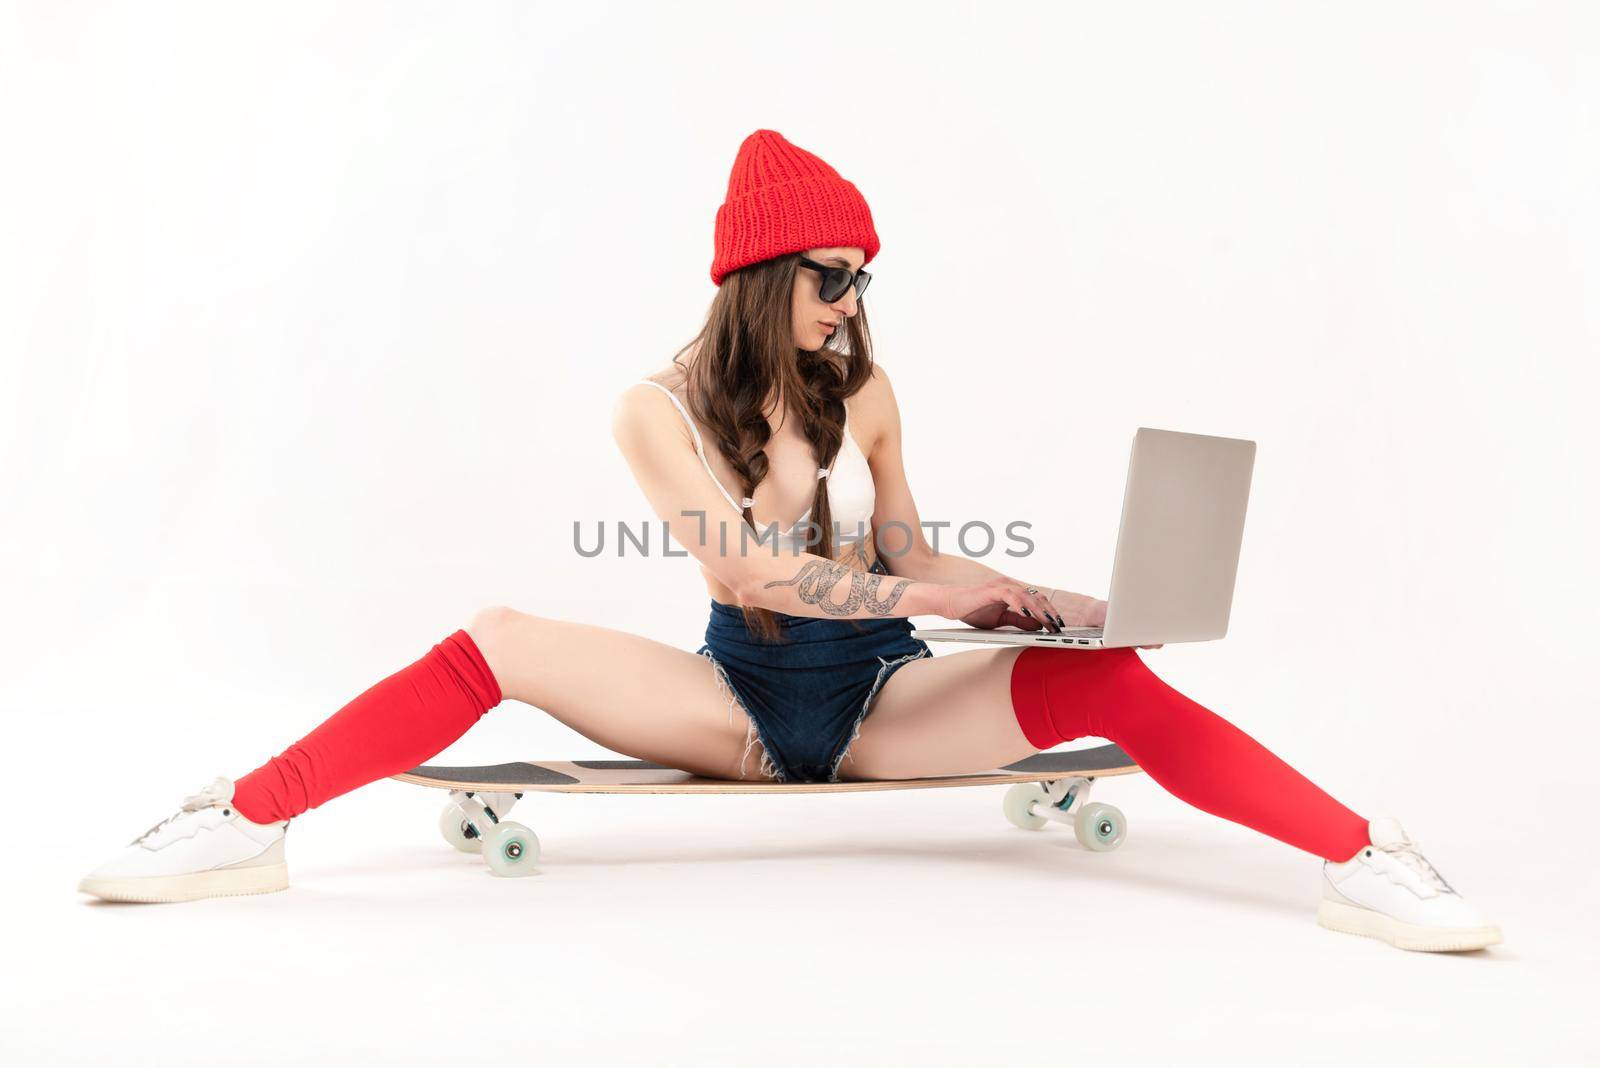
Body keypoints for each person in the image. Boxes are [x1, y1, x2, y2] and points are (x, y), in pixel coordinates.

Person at [78, 129, 1501, 953]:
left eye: (863, 278)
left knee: (1112, 682)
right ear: (765, 276)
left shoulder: (868, 389)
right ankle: (241, 821)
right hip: (740, 704)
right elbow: (745, 575)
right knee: (500, 639)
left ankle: (1364, 856)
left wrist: (1036, 595)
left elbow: (914, 557)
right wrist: (911, 586)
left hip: (882, 700)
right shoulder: (657, 409)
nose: (851, 299)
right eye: (833, 275)